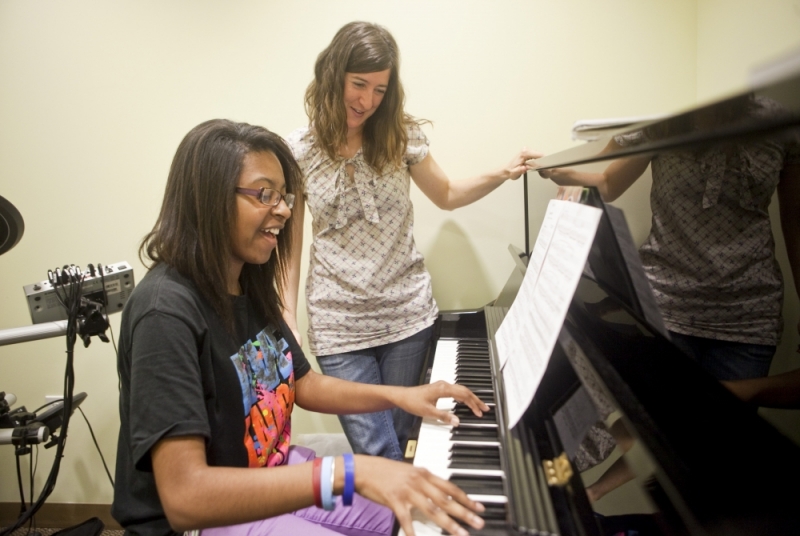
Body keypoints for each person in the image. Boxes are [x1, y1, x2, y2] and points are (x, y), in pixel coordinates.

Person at [111, 119, 491, 536]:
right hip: (206, 519)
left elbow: (303, 383)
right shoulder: (164, 313)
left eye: (284, 195)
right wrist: (349, 471)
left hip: (268, 471)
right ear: (208, 199)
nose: (286, 210)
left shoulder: (247, 281)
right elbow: (186, 497)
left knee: (405, 517)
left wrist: (402, 397)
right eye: (264, 194)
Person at [284, 21, 541, 460]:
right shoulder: (298, 151)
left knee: (400, 443)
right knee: (379, 451)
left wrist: (502, 172)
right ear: (334, 75)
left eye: (380, 90)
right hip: (338, 326)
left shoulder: (400, 135)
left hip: (407, 317)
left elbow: (446, 194)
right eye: (359, 84)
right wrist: (287, 316)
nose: (367, 101)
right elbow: (288, 250)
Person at [537, 94, 800, 382]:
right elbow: (609, 184)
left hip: (748, 317)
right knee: (659, 422)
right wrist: (557, 170)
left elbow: (795, 221)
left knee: (729, 427)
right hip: (665, 306)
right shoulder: (665, 119)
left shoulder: (779, 121)